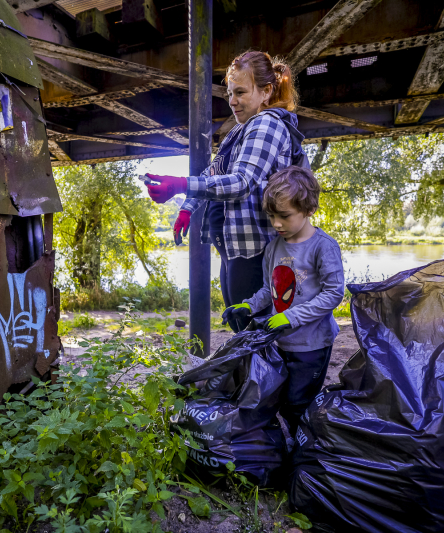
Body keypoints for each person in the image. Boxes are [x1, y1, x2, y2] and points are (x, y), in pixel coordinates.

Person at [145, 50, 310, 332]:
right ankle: (250, 376)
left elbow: (242, 182)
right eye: (230, 93)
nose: (232, 101)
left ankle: (261, 377)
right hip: (235, 248)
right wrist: (187, 208)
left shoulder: (267, 123)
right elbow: (213, 174)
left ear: (266, 91)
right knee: (241, 327)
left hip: (256, 252)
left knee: (252, 332)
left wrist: (180, 184)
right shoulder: (239, 131)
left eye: (241, 92)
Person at [222, 166, 344, 440]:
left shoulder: (323, 247)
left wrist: (292, 317)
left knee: (298, 402)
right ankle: (292, 443)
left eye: (284, 216)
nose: (276, 224)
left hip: (312, 344)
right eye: (272, 216)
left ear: (309, 209)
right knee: (281, 399)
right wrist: (248, 306)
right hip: (283, 342)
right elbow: (269, 288)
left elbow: (334, 294)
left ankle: (308, 451)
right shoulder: (274, 247)